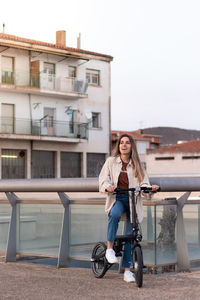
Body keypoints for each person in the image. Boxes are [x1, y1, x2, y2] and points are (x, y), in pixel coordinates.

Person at [99, 134, 159, 283]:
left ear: (131, 146)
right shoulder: (111, 162)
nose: (123, 145)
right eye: (121, 143)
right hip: (118, 198)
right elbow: (103, 179)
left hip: (133, 200)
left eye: (127, 143)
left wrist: (150, 188)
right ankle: (109, 249)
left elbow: (144, 182)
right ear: (119, 146)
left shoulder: (138, 165)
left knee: (130, 236)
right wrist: (108, 187)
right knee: (114, 214)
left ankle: (127, 271)